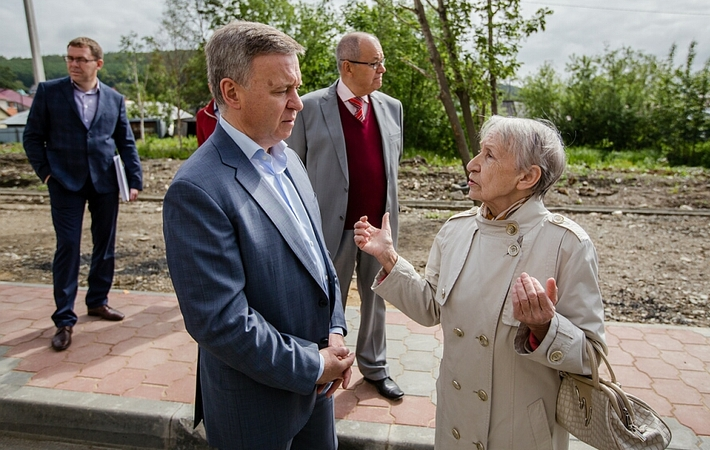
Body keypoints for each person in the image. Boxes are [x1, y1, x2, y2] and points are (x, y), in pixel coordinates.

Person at [354, 116, 606, 450]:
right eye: (478, 153)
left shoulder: (566, 244)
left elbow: (590, 357)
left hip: (519, 433)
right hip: (455, 422)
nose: (472, 165)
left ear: (527, 177)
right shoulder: (455, 230)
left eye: (489, 155)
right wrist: (389, 258)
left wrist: (546, 328)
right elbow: (430, 308)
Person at [162, 21, 355, 450]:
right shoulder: (196, 189)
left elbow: (319, 260)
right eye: (280, 90)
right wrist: (313, 363)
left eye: (297, 86)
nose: (298, 103)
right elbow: (221, 321)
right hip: (254, 408)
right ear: (231, 93)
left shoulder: (288, 159)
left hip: (317, 390)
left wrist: (336, 333)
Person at [285, 32, 404, 400]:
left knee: (378, 297)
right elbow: (293, 171)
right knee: (321, 299)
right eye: (375, 63)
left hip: (378, 228)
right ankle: (321, 365)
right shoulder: (308, 107)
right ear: (347, 67)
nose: (382, 69)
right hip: (328, 229)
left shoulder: (391, 107)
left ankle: (375, 366)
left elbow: (390, 167)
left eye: (382, 61)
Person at [23, 37, 142, 352]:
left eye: (80, 59)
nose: (73, 64)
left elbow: (125, 142)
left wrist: (134, 179)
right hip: (64, 182)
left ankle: (98, 301)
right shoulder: (50, 93)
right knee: (68, 247)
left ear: (97, 64)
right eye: (70, 58)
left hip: (104, 182)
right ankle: (64, 319)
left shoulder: (114, 99)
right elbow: (32, 137)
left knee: (105, 245)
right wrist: (46, 173)